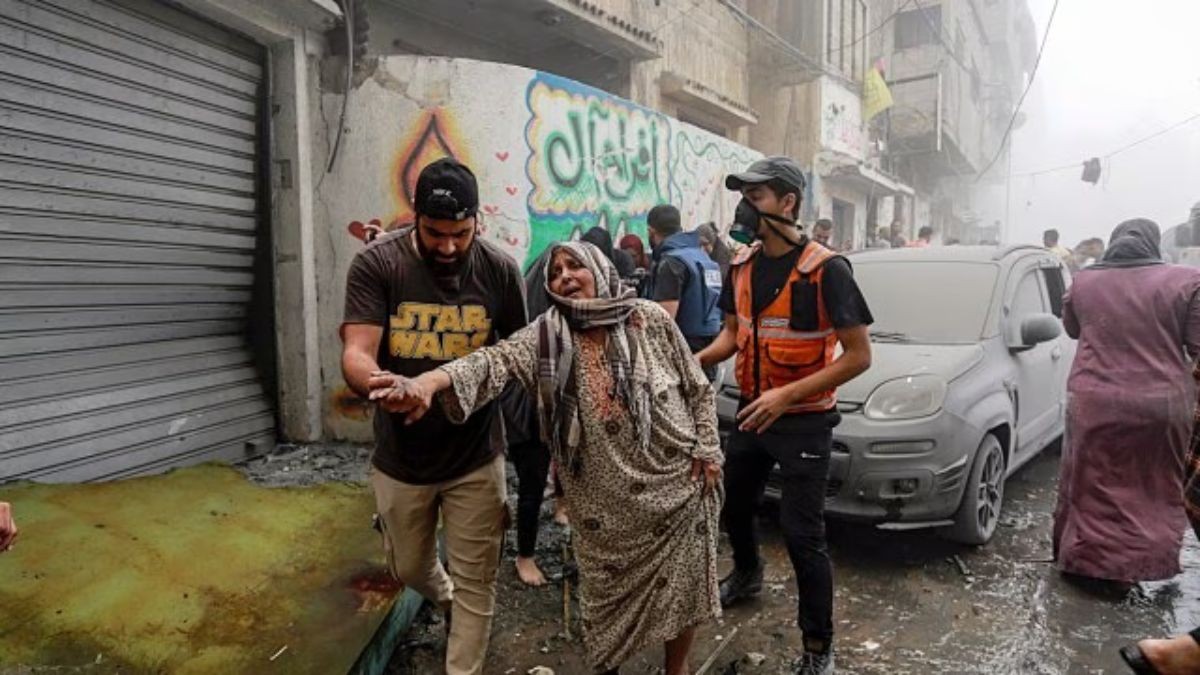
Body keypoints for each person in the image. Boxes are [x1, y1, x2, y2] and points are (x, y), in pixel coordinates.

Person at [376, 241, 724, 675]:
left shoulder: (649, 318)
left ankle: (676, 668)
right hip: (602, 508)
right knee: (604, 604)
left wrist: (708, 448)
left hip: (677, 487)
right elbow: (491, 361)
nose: (564, 276)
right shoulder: (545, 338)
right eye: (555, 272)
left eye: (575, 265)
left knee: (683, 592)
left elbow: (696, 387)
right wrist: (427, 383)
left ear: (600, 269)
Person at [340, 158, 528, 675]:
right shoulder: (379, 264)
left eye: (460, 234)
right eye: (434, 233)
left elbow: (516, 354)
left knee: (477, 583)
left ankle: (462, 650)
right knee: (408, 567)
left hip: (476, 456)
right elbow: (357, 351)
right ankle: (446, 601)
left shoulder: (500, 270)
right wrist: (381, 383)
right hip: (402, 457)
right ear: (415, 218)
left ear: (478, 222)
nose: (448, 247)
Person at [697, 156, 874, 675]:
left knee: (802, 536)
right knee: (734, 507)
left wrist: (787, 396)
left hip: (804, 423)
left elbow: (859, 356)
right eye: (743, 198)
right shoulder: (741, 265)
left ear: (788, 203)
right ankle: (747, 573)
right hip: (751, 413)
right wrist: (693, 359)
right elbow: (733, 335)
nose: (744, 209)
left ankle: (818, 647)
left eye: (755, 198)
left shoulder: (828, 269)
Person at [1053, 219, 1200, 590]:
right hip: (1162, 405)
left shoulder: (1084, 281)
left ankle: (1090, 564)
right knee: (1155, 485)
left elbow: (1072, 329)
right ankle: (1143, 565)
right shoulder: (1188, 281)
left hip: (1095, 402)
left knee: (1092, 484)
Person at [1119, 366, 1200, 675]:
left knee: (1107, 490)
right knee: (1152, 489)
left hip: (1103, 394)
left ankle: (1110, 569)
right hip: (1161, 399)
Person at [646, 205, 724, 380]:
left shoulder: (671, 262)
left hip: (684, 352)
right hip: (710, 349)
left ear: (651, 231)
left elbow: (663, 320)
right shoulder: (703, 258)